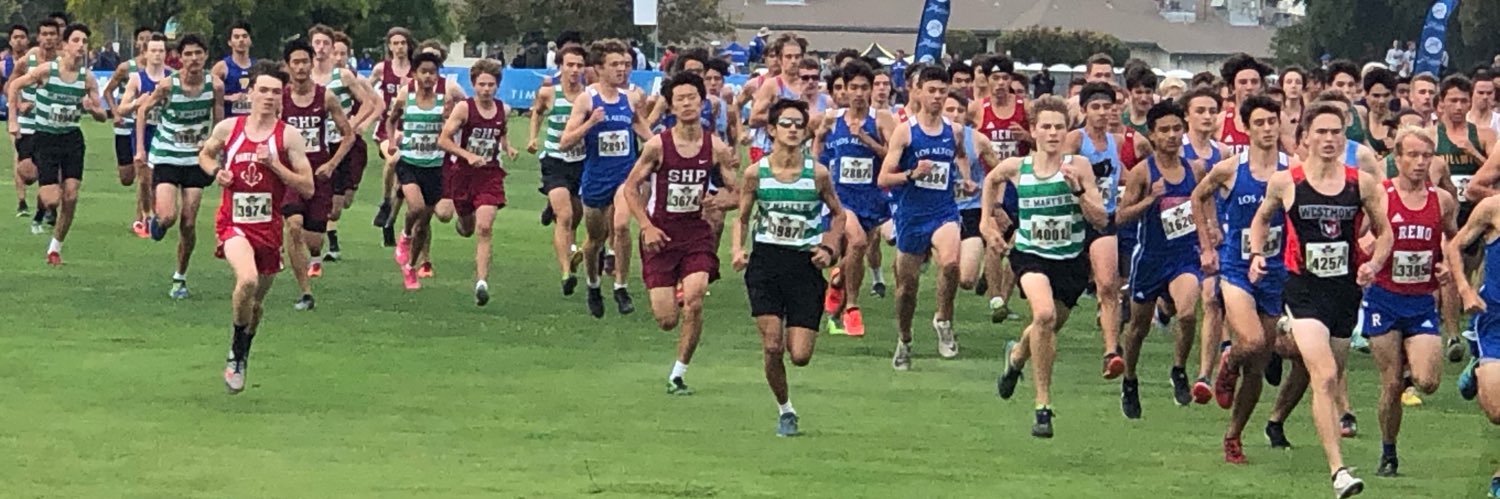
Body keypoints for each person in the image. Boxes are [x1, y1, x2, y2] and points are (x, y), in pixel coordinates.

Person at [1250, 101, 1392, 498]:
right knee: (1325, 375)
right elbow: (1261, 218)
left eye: (1336, 132)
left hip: (1344, 292)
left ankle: (1282, 350)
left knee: (1326, 374)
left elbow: (1385, 232)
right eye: (1322, 132)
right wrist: (1258, 254)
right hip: (1303, 289)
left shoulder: (1360, 183)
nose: (1329, 139)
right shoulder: (1286, 181)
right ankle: (1339, 471)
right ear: (1306, 137)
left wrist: (1374, 263)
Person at [989, 96, 1109, 437]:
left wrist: (1079, 192)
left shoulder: (1079, 166)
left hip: (1070, 260)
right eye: (1046, 126)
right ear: (1033, 131)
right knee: (1043, 316)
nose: (1053, 133)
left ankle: (1015, 359)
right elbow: (991, 179)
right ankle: (1043, 406)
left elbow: (1100, 219)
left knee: (1047, 327)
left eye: (1059, 126)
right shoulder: (1018, 167)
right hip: (1030, 254)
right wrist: (987, 222)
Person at [196, 60, 314, 394]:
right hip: (233, 223)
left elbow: (307, 187)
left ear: (282, 97)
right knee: (245, 280)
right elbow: (204, 155)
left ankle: (243, 350)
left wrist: (275, 165)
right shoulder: (229, 129)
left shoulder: (288, 136)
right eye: (262, 90)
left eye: (276, 92)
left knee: (256, 305)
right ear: (250, 93)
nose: (268, 97)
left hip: (268, 229)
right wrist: (215, 172)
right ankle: (235, 350)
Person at [731, 98, 846, 437]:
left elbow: (839, 214)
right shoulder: (756, 173)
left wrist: (829, 247)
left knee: (800, 356)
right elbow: (741, 217)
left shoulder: (817, 174)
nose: (794, 130)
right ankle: (785, 410)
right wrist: (738, 250)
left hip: (804, 266)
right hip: (766, 263)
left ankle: (788, 403)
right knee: (771, 345)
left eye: (799, 124)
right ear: (771, 130)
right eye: (787, 124)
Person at [622, 71, 738, 394]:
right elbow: (630, 189)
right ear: (671, 106)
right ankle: (670, 288)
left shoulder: (715, 147)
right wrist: (646, 226)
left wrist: (718, 202)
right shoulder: (658, 146)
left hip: (696, 234)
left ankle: (678, 373)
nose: (687, 104)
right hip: (661, 234)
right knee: (667, 320)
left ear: (702, 103)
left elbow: (737, 193)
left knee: (697, 297)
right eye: (680, 99)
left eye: (692, 98)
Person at [1192, 95, 1290, 463]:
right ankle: (1227, 361)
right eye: (1260, 123)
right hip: (1235, 268)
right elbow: (1198, 198)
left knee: (1260, 364)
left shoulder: (1291, 169)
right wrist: (1208, 241)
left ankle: (1234, 436)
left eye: (1272, 122)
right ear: (1246, 128)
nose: (1267, 129)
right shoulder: (1230, 169)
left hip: (1275, 273)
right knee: (1250, 341)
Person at [1360, 126, 1457, 477]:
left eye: (1426, 156)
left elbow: (1453, 239)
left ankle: (1409, 363)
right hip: (1384, 299)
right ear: (1396, 159)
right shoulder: (1381, 196)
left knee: (1427, 381)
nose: (1419, 163)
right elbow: (1359, 237)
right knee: (1389, 382)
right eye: (1412, 155)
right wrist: (1367, 260)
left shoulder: (1441, 200)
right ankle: (1389, 452)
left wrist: (1448, 264)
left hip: (1420, 301)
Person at [1116, 100, 1209, 416]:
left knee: (1187, 314)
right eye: (1164, 130)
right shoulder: (1143, 172)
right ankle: (1130, 380)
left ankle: (1179, 369)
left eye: (1176, 129)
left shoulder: (1195, 169)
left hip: (1184, 256)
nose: (1171, 135)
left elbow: (1204, 204)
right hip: (1150, 259)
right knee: (1138, 329)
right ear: (1152, 135)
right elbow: (1121, 217)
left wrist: (1209, 233)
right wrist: (1150, 200)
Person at [879, 65, 975, 368]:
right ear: (917, 92)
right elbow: (883, 178)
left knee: (950, 263)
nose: (936, 96)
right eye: (931, 90)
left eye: (941, 91)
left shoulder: (954, 130)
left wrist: (966, 177)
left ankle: (943, 320)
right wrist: (911, 173)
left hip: (943, 211)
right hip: (910, 216)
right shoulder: (905, 132)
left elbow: (959, 154)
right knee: (906, 290)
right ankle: (904, 339)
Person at [559, 39, 653, 317]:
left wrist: (666, 148)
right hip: (595, 179)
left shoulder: (631, 98)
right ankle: (593, 284)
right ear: (599, 68)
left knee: (622, 225)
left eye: (625, 64)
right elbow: (565, 141)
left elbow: (644, 131)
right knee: (594, 240)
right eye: (615, 65)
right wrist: (591, 123)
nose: (622, 70)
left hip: (625, 177)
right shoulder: (587, 100)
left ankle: (621, 287)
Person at [5, 23, 109, 266]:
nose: (80, 45)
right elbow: (14, 86)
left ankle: (55, 248)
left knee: (71, 196)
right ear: (66, 45)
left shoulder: (87, 79)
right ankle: (43, 194)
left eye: (84, 41)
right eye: (76, 40)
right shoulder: (47, 71)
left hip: (71, 139)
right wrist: (13, 118)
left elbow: (102, 116)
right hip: (46, 138)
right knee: (52, 200)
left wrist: (93, 109)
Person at [131, 33, 223, 299]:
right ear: (180, 58)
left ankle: (179, 277)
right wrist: (140, 148)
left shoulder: (214, 85)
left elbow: (218, 121)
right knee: (169, 216)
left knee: (189, 223)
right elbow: (142, 111)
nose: (193, 59)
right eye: (188, 54)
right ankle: (157, 221)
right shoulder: (168, 86)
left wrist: (214, 147)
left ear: (205, 56)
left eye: (198, 53)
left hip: (195, 159)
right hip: (168, 155)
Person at [811, 60, 893, 337]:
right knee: (857, 242)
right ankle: (853, 309)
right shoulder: (832, 118)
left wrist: (867, 140)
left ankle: (837, 280)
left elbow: (893, 158)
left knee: (854, 253)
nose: (858, 93)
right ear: (843, 90)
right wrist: (818, 139)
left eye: (864, 87)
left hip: (871, 198)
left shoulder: (881, 119)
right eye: (853, 87)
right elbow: (817, 160)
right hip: (839, 198)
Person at [1064, 82, 1137, 377]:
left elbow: (1122, 174)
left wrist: (1145, 189)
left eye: (1108, 107)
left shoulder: (1115, 142)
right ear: (1084, 111)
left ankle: (1111, 351)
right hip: (1072, 220)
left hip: (1104, 220)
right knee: (1062, 296)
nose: (1103, 112)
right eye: (1096, 107)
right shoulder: (1074, 139)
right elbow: (1061, 170)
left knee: (1108, 286)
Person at [435, 58, 518, 306]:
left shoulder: (504, 110)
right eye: (481, 84)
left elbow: (500, 131)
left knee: (484, 227)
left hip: (490, 175)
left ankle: (481, 282)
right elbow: (444, 140)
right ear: (473, 85)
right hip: (463, 174)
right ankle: (462, 222)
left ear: (497, 86)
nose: (486, 89)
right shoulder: (464, 109)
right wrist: (468, 156)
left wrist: (508, 147)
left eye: (491, 84)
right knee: (468, 227)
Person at [279, 38, 353, 308]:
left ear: (312, 64)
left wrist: (332, 164)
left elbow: (348, 135)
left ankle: (314, 257)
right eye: (295, 62)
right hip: (290, 173)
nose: (300, 67)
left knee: (313, 240)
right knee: (294, 226)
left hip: (319, 173)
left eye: (304, 62)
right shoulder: (281, 98)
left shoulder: (326, 96)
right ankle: (306, 293)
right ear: (287, 66)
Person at [306, 25, 378, 271]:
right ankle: (314, 243)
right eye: (317, 43)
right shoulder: (305, 78)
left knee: (340, 207)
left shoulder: (343, 76)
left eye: (326, 43)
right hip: (319, 146)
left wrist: (355, 124)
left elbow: (369, 102)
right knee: (322, 201)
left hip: (344, 144)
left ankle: (320, 227)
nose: (322, 48)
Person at [1445, 188, 1500, 499]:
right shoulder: (1492, 208)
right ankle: (1479, 367)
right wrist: (1465, 290)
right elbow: (1455, 247)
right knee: (1496, 412)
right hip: (1496, 320)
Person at [1435, 75, 1495, 363]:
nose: (1458, 106)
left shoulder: (1484, 135)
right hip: (1444, 213)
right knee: (1449, 268)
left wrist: (1473, 153)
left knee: (1477, 273)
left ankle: (1474, 327)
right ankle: (1453, 334)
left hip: (1477, 215)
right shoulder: (1432, 136)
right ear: (1442, 104)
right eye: (1453, 101)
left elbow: (1494, 172)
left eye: (1463, 100)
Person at [1179, 85, 1231, 400]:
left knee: (1212, 299)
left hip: (1213, 232)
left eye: (1212, 110)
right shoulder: (1177, 148)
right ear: (1187, 115)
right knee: (1182, 305)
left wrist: (1216, 225)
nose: (1207, 116)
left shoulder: (1223, 153)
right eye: (1200, 110)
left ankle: (1204, 375)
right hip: (1179, 234)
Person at [528, 45, 588, 295]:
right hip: (555, 160)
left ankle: (553, 207)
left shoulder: (588, 95)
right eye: (570, 65)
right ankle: (566, 272)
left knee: (576, 215)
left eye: (579, 65)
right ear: (560, 67)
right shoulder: (548, 92)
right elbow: (537, 113)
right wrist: (533, 137)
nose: (574, 70)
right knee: (564, 217)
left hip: (582, 161)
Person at [384, 51, 447, 289]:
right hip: (409, 162)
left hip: (434, 166)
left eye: (433, 72)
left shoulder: (443, 104)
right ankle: (405, 235)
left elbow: (452, 129)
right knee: (416, 207)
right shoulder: (406, 99)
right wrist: (392, 142)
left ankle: (411, 268)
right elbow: (391, 120)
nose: (428, 76)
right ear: (414, 74)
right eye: (424, 72)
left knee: (425, 223)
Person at [325, 30, 383, 261]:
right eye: (334, 52)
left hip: (353, 145)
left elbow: (377, 104)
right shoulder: (320, 79)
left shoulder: (354, 78)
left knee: (346, 200)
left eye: (342, 53)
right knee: (330, 199)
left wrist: (361, 123)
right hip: (329, 143)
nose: (338, 57)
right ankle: (331, 243)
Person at [115, 33, 174, 237]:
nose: (157, 54)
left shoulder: (171, 78)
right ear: (145, 53)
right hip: (144, 131)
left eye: (161, 50)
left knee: (161, 179)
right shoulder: (137, 78)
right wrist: (135, 104)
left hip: (167, 132)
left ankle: (155, 214)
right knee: (145, 178)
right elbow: (121, 109)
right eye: (154, 50)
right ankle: (145, 217)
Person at [369, 27, 414, 244]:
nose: (399, 47)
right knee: (393, 159)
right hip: (387, 130)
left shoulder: (418, 70)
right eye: (395, 43)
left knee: (403, 185)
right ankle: (385, 201)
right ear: (389, 46)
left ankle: (390, 223)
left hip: (413, 131)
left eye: (403, 43)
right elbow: (366, 92)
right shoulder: (382, 69)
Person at [14, 18, 59, 233]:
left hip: (50, 126)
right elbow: (10, 85)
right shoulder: (28, 59)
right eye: (45, 34)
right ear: (39, 36)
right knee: (29, 174)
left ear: (58, 37)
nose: (48, 38)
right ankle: (47, 203)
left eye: (53, 34)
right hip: (28, 123)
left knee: (48, 172)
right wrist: (20, 104)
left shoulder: (63, 62)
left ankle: (42, 213)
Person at [1219, 53, 1271, 157]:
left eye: (1254, 82)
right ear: (1232, 88)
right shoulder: (1220, 121)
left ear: (1262, 86)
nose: (1249, 87)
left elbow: (1297, 155)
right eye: (1243, 82)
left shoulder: (1277, 119)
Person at [4, 23, 30, 217]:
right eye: (16, 37)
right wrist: (17, 103)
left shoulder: (34, 59)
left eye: (22, 37)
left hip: (37, 113)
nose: (19, 40)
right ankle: (22, 201)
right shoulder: (4, 63)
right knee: (18, 154)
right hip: (16, 114)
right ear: (10, 41)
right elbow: (7, 87)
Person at [210, 21, 254, 119]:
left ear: (250, 40)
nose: (241, 40)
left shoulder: (257, 67)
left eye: (244, 36)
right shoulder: (222, 66)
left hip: (251, 122)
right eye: (236, 37)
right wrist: (230, 98)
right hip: (229, 121)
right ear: (230, 42)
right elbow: (208, 93)